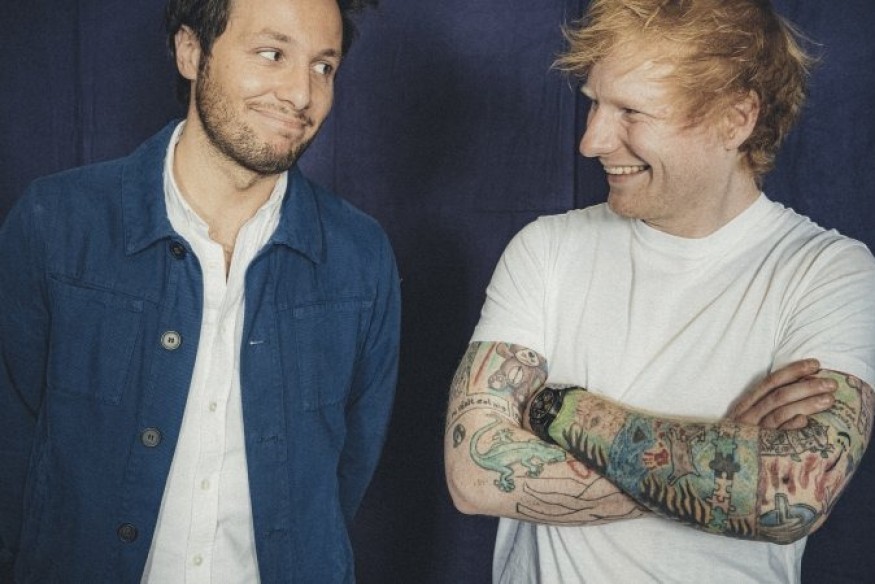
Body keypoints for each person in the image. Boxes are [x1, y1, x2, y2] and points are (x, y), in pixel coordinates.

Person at [445, 0, 875, 582]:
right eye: (595, 103)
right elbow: (474, 475)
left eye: (631, 111)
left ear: (735, 119)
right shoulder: (547, 248)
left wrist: (558, 407)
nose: (592, 141)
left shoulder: (828, 272)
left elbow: (791, 495)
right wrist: (724, 467)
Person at [0, 0, 399, 581]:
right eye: (272, 54)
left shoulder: (360, 256)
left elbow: (347, 470)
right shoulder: (57, 223)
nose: (301, 94)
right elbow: (9, 450)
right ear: (191, 51)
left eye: (323, 67)